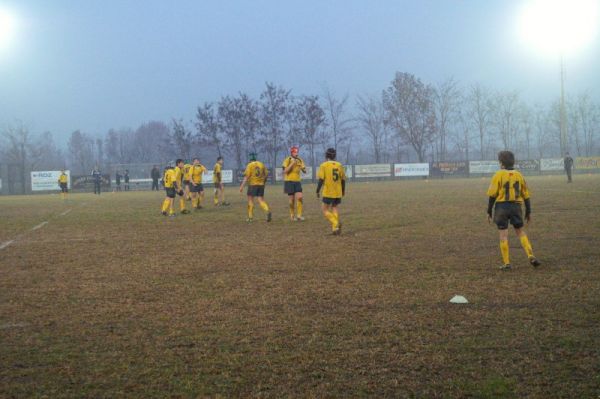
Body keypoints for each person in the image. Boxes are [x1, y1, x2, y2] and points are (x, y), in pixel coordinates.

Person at [487, 150, 541, 271]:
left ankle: (507, 264)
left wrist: (489, 211)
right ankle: (530, 255)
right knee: (521, 232)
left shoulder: (498, 175)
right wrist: (528, 211)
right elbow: (526, 195)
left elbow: (492, 195)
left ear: (501, 163)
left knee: (503, 235)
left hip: (502, 207)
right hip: (516, 207)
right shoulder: (519, 175)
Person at [316, 148, 346, 235]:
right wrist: (343, 191)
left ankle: (335, 223)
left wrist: (317, 190)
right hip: (338, 191)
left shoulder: (324, 165)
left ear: (326, 155)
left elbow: (321, 180)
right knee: (334, 208)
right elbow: (343, 180)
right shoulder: (339, 165)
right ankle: (335, 229)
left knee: (324, 209)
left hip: (329, 191)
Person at [239, 153, 271, 222]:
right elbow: (266, 175)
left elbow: (246, 176)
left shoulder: (249, 165)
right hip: (261, 185)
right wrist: (264, 183)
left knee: (250, 200)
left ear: (250, 159)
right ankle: (267, 210)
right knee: (261, 200)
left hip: (252, 185)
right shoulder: (261, 164)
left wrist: (241, 186)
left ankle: (250, 217)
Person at [282, 146, 307, 221]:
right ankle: (292, 216)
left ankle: (299, 215)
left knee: (299, 197)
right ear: (292, 153)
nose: (296, 153)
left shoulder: (300, 160)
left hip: (297, 181)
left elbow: (305, 170)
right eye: (295, 152)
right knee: (291, 201)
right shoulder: (287, 160)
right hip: (289, 181)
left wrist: (303, 169)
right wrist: (292, 163)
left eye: (297, 152)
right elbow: (285, 171)